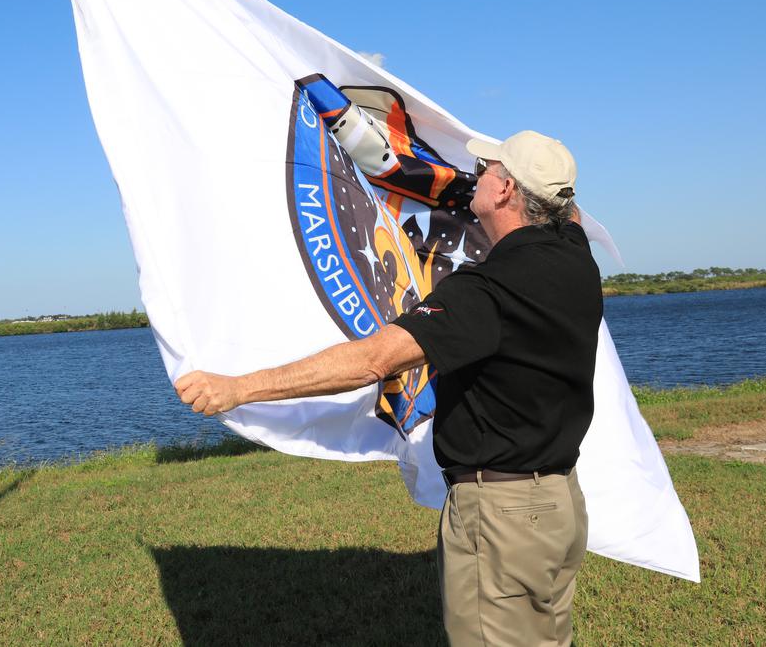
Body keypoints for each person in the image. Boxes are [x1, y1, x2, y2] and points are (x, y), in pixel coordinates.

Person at [175, 130, 602, 647]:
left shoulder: (490, 290)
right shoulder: (576, 257)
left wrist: (238, 388)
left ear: (508, 190)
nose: (476, 176)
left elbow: (371, 360)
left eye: (488, 170)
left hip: (504, 516)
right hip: (560, 505)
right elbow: (571, 215)